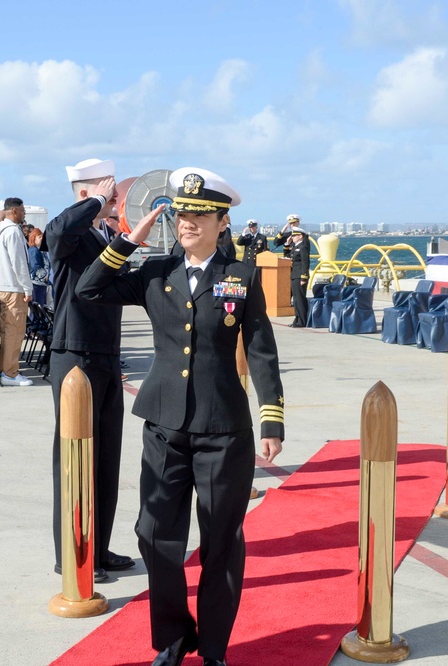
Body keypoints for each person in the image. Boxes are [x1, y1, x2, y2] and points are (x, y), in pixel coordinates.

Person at [76, 167, 284, 666]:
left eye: (198, 215)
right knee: (154, 534)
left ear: (221, 221)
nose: (186, 222)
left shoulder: (242, 277)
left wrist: (271, 418)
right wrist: (128, 240)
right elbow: (89, 288)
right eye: (181, 213)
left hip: (222, 429)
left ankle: (213, 647)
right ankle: (172, 636)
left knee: (220, 542)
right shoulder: (154, 273)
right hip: (165, 425)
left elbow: (260, 349)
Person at [45, 158, 134, 584]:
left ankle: (97, 545)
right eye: (111, 196)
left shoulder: (103, 234)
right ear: (87, 195)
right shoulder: (70, 232)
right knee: (75, 460)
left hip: (106, 352)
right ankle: (72, 554)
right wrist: (98, 197)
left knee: (106, 458)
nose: (116, 203)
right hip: (74, 353)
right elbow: (58, 231)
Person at [0, 197, 34, 386]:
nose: (24, 214)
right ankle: (11, 373)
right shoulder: (13, 232)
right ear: (14, 211)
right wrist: (27, 287)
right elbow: (19, 263)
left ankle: (4, 369)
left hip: (3, 287)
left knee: (6, 332)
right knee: (15, 332)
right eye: (23, 210)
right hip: (14, 288)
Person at [274, 218, 311, 327]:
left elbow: (305, 262)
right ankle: (297, 319)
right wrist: (286, 244)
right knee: (296, 299)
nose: (293, 237)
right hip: (294, 275)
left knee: (300, 299)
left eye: (295, 236)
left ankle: (302, 321)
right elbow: (288, 256)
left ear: (300, 236)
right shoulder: (296, 247)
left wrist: (304, 277)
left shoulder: (303, 247)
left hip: (300, 276)